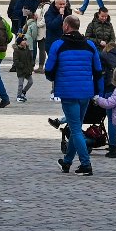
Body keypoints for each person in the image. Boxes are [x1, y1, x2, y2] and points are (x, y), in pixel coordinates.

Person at [46, 14, 102, 175]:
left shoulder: (58, 45)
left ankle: (86, 164)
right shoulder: (90, 45)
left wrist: (55, 78)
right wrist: (98, 93)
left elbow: (49, 70)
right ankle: (67, 162)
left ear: (66, 26)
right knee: (73, 125)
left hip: (68, 92)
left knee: (76, 130)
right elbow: (98, 71)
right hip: (86, 92)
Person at [11, 34, 36, 103]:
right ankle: (18, 96)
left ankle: (23, 92)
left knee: (30, 82)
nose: (25, 42)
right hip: (21, 70)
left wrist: (32, 65)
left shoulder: (27, 49)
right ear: (19, 43)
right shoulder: (16, 51)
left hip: (28, 70)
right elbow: (16, 60)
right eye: (23, 40)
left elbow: (31, 58)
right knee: (20, 84)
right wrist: (21, 66)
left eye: (25, 40)